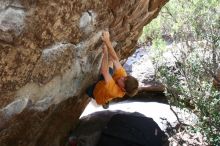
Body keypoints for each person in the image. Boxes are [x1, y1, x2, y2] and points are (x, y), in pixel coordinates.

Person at [86, 31, 139, 108]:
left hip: (98, 93)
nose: (122, 77)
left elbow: (104, 71)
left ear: (123, 89)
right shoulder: (124, 76)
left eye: (123, 81)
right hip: (105, 82)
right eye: (125, 78)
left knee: (88, 91)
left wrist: (105, 53)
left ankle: (105, 102)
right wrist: (107, 41)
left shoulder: (114, 91)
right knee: (111, 62)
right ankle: (106, 97)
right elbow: (115, 59)